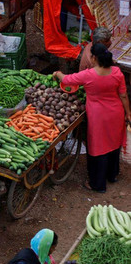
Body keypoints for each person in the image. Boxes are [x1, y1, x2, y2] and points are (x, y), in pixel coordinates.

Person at [54, 44, 131, 193]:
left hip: (98, 116)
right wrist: (128, 113)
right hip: (116, 113)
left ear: (94, 58)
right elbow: (123, 95)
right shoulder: (117, 72)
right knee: (114, 144)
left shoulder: (88, 74)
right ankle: (112, 175)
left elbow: (68, 80)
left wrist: (57, 74)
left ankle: (98, 184)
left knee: (98, 148)